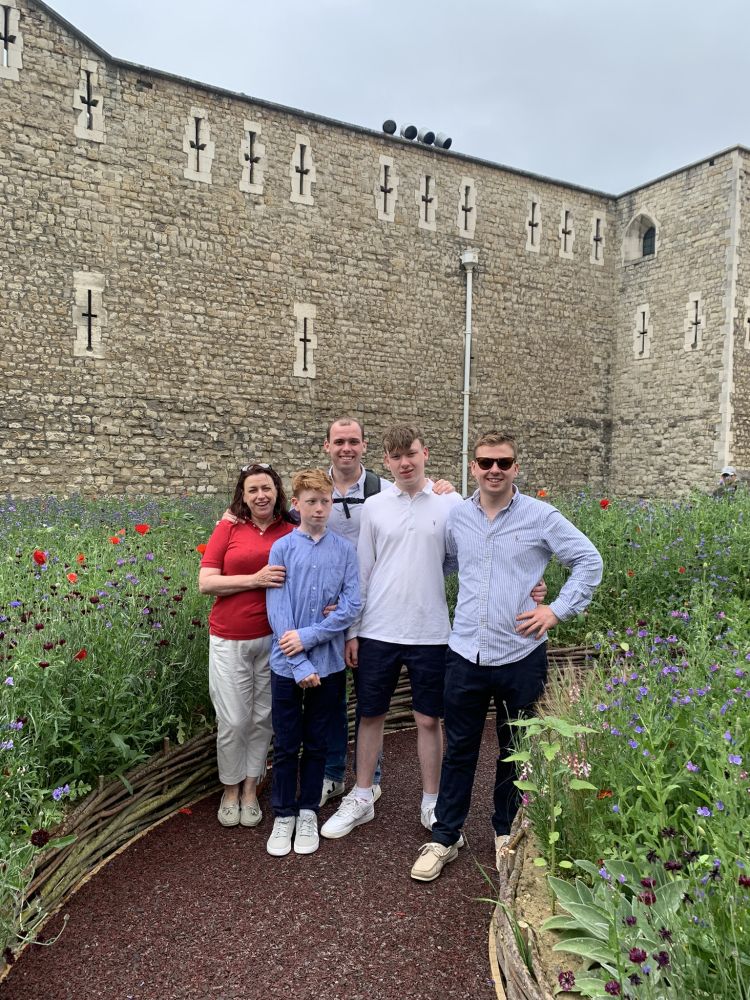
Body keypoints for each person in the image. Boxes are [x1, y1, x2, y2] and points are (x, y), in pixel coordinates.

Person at [409, 432, 603, 882]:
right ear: (472, 467)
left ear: (516, 467)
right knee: (459, 749)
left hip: (521, 653)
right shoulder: (458, 516)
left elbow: (589, 560)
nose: (494, 469)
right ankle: (445, 837)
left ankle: (505, 831)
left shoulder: (540, 516)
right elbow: (449, 564)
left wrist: (554, 608)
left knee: (516, 750)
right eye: (485, 462)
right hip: (465, 654)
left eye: (503, 462)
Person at [320, 424, 465, 842]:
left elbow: (461, 557)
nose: (405, 463)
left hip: (431, 631)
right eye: (396, 456)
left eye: (412, 454)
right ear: (386, 460)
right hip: (378, 630)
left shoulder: (450, 504)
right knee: (369, 714)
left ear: (425, 454)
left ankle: (431, 801)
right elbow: (363, 572)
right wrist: (353, 631)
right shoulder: (376, 507)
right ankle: (362, 795)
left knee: (427, 719)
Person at [265, 469, 361, 856]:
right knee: (287, 742)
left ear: (331, 504)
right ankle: (283, 813)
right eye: (311, 502)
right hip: (287, 665)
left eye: (325, 501)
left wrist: (310, 637)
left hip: (330, 664)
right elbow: (277, 607)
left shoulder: (344, 551)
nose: (319, 508)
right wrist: (300, 662)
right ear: (297, 505)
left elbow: (352, 604)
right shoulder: (283, 549)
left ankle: (308, 811)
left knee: (318, 741)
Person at [198, 464, 295, 828]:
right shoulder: (229, 528)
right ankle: (230, 788)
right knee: (234, 719)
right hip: (229, 637)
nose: (260, 496)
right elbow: (206, 582)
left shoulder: (290, 529)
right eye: (252, 489)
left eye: (266, 488)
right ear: (242, 495)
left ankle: (251, 787)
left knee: (262, 718)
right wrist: (255, 579)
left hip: (273, 638)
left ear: (277, 491)